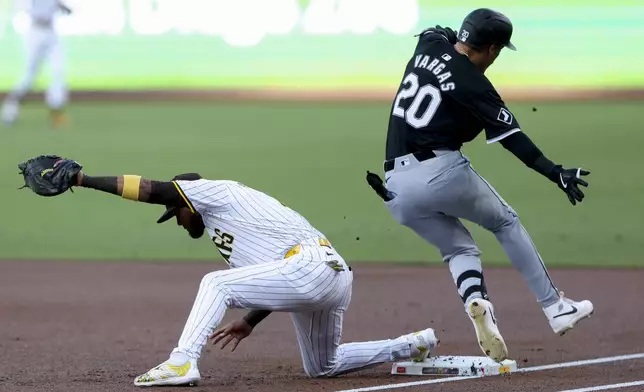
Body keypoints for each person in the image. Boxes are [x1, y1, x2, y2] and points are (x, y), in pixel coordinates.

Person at [18, 155, 439, 387]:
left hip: (311, 266)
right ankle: (411, 345)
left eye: (176, 213)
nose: (178, 222)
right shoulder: (231, 233)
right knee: (322, 367)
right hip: (328, 275)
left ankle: (182, 362)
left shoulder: (214, 192)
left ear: (189, 201)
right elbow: (276, 279)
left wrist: (81, 179)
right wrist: (250, 322)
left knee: (214, 283)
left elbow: (150, 189)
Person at [365, 8, 593, 363]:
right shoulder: (477, 87)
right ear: (492, 49)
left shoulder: (430, 42)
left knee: (459, 250)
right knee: (505, 221)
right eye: (498, 50)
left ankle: (477, 300)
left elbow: (437, 32)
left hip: (394, 186)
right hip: (439, 171)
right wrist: (555, 172)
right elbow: (514, 139)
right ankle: (555, 306)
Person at [1, 0, 71, 128]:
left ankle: (56, 112)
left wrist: (63, 8)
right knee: (29, 75)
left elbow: (57, 5)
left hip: (51, 31)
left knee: (58, 72)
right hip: (35, 31)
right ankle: (10, 107)